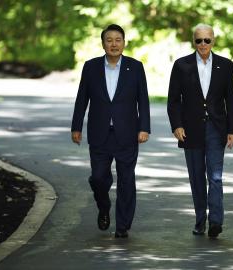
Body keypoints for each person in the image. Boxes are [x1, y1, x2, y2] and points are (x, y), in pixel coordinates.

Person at [71, 24, 150, 238]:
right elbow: (81, 99)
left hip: (127, 134)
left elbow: (143, 100)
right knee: (98, 178)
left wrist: (144, 128)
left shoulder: (135, 67)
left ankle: (122, 226)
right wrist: (76, 127)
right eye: (109, 40)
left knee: (126, 180)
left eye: (118, 39)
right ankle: (103, 207)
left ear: (124, 43)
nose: (114, 44)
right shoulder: (91, 67)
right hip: (100, 134)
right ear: (103, 43)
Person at [167, 24, 233, 238]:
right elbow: (173, 101)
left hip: (217, 128)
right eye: (199, 40)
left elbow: (231, 100)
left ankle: (216, 221)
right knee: (197, 177)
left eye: (207, 40)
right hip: (190, 130)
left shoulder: (226, 65)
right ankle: (200, 220)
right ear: (193, 41)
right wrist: (176, 125)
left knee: (215, 176)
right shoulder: (182, 65)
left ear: (213, 41)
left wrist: (232, 129)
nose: (203, 44)